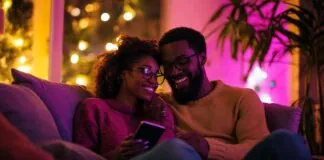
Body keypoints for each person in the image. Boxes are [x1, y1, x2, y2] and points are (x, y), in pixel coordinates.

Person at [158, 27, 312, 160]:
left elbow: (257, 146)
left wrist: (208, 148)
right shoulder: (160, 105)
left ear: (202, 58)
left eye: (182, 61)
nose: (174, 71)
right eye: (167, 65)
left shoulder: (241, 98)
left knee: (286, 140)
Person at [73, 36, 201, 160]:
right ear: (122, 74)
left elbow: (167, 151)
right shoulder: (95, 108)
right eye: (145, 71)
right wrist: (118, 155)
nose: (153, 81)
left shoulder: (159, 109)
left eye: (156, 75)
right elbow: (80, 156)